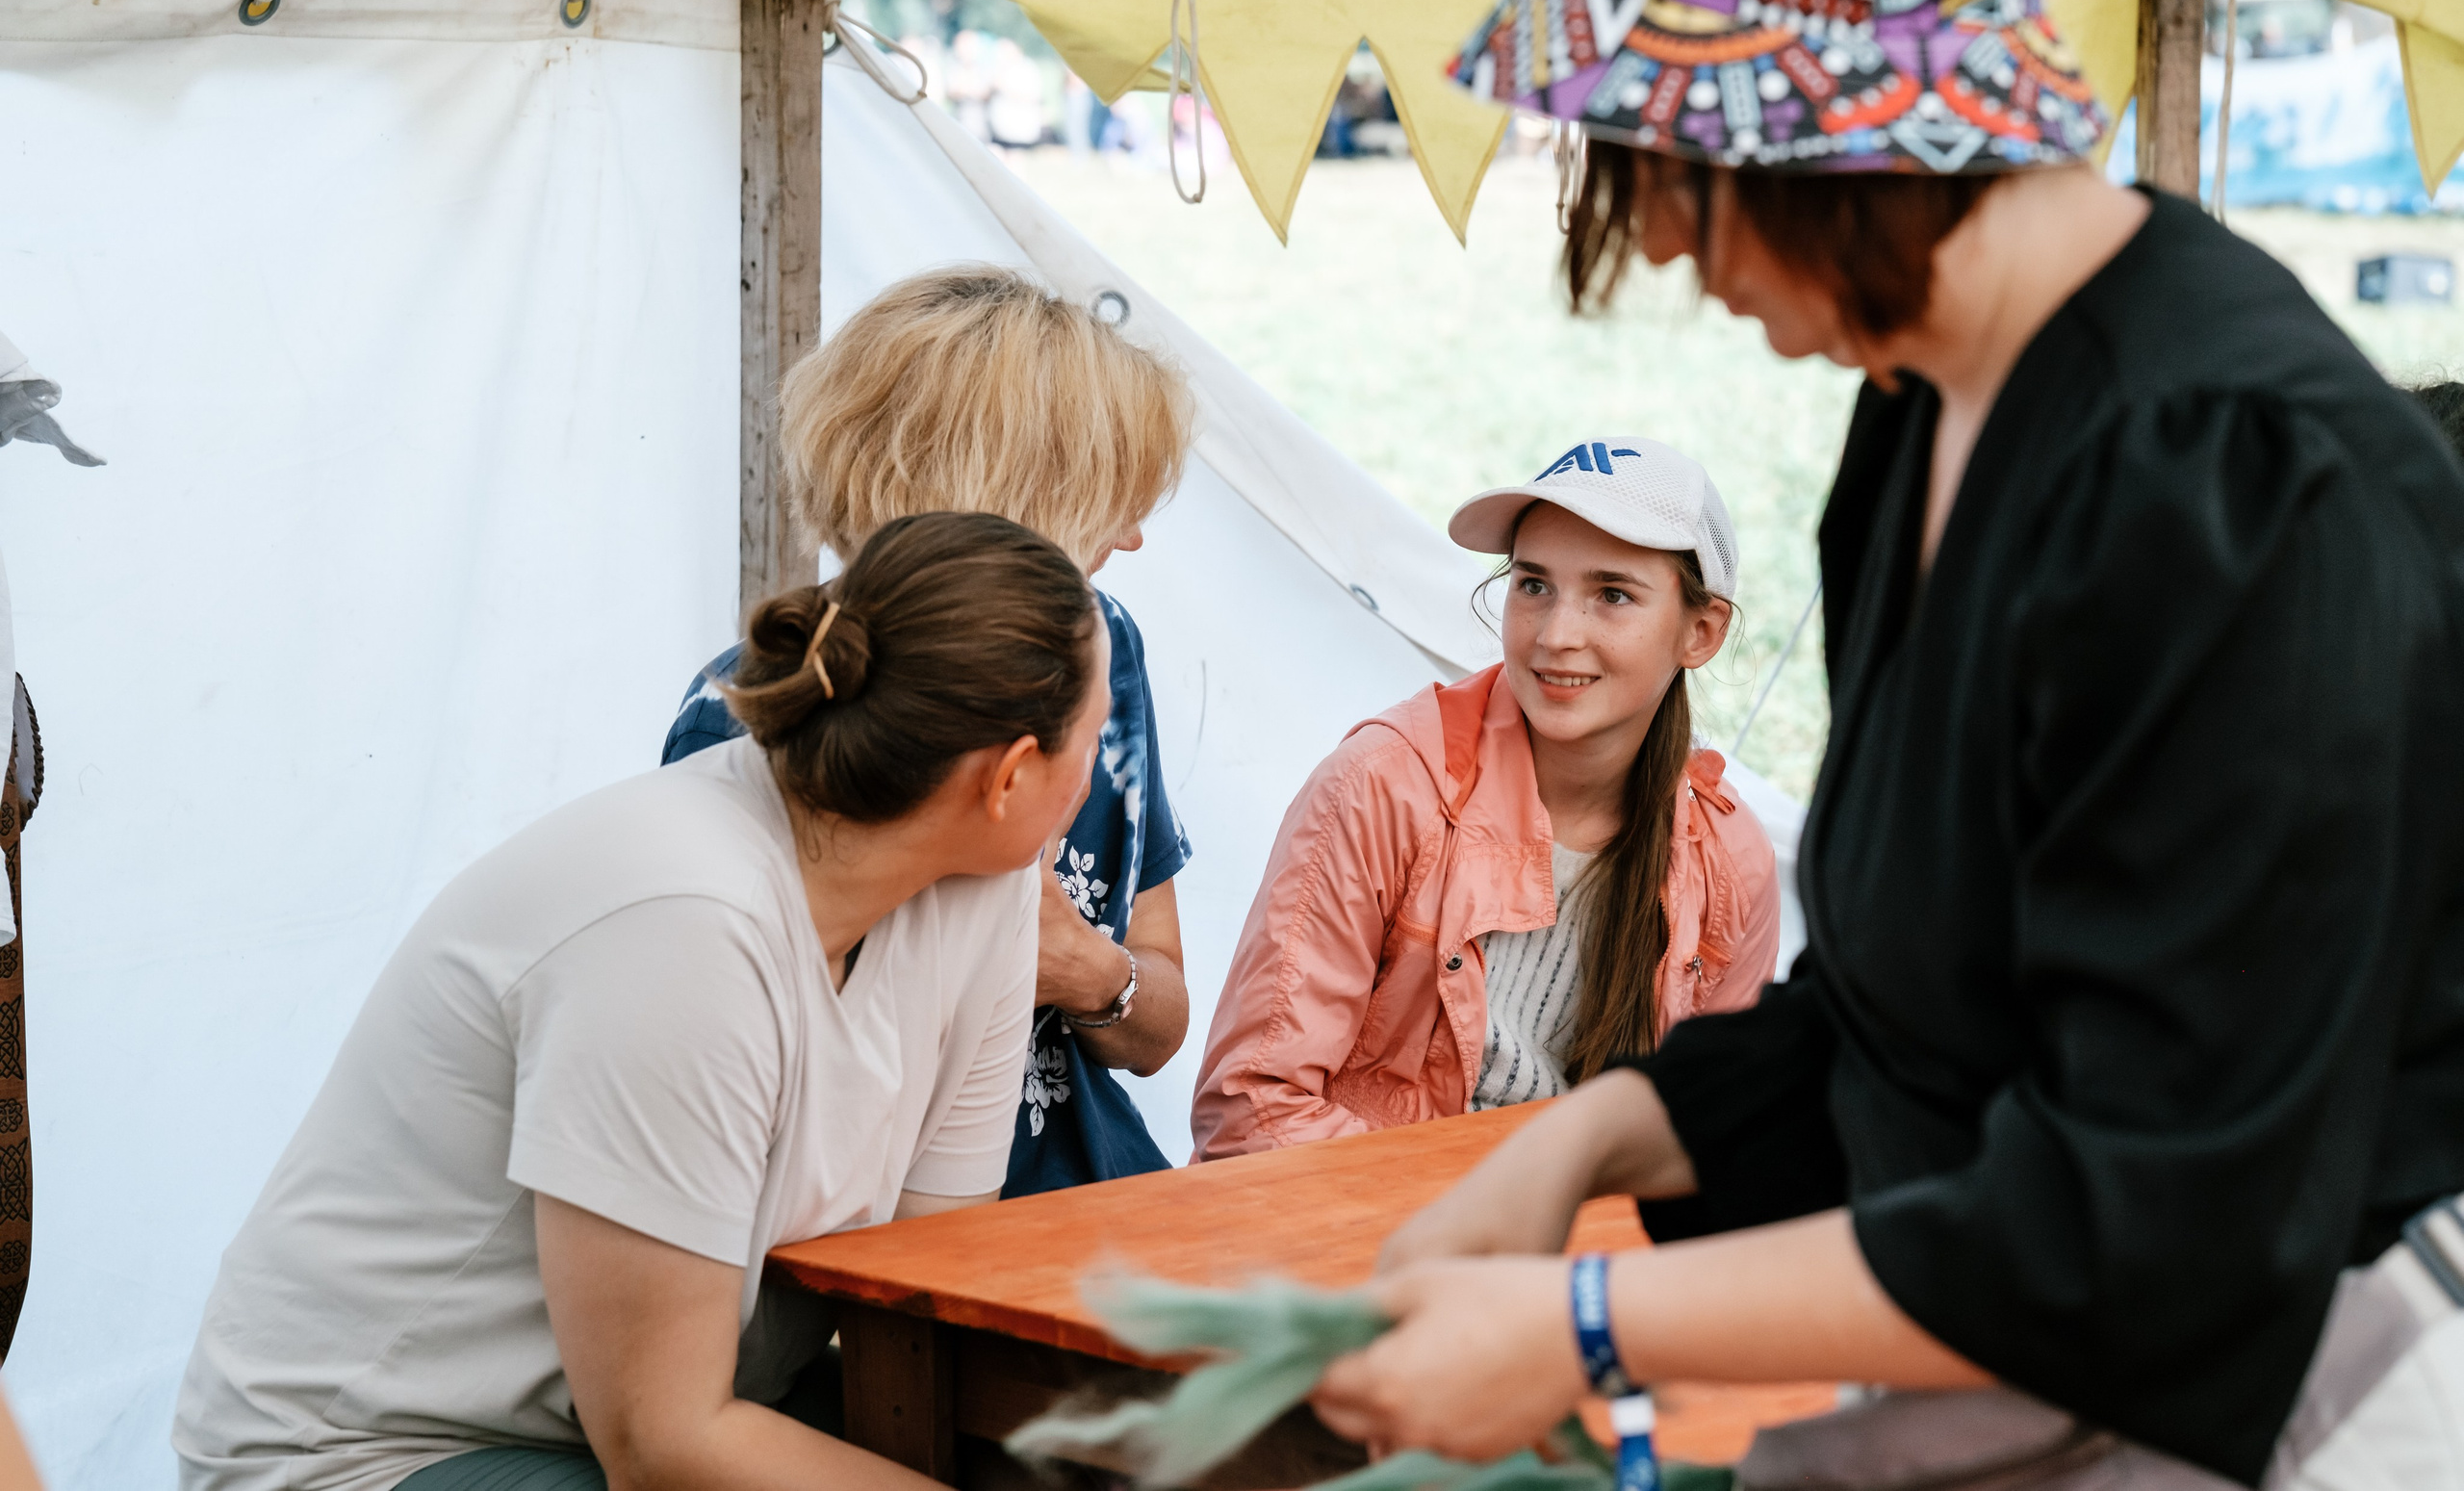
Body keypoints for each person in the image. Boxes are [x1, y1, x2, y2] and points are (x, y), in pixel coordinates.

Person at [1308, 0, 2464, 1487]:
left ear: (1822, 139)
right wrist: (1590, 1136)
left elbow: (2145, 1224)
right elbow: (1909, 1013)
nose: (1681, 260)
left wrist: (1587, 1322)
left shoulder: (2238, 489)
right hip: (1998, 1362)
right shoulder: (1924, 408)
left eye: (1673, 189)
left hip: (2276, 1408)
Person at [173, 512, 1109, 1491]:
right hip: (385, 1450)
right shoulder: (682, 919)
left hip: (681, 1412)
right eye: (1091, 736)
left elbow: (915, 1292)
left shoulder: (987, 893)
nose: (1096, 767)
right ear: (1007, 777)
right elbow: (661, 1446)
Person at [664, 266, 1198, 1195]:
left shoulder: (1101, 646)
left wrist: (1086, 969)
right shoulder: (745, 716)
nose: (1136, 536)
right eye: (1110, 492)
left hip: (1088, 1197)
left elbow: (1160, 1029)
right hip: (854, 1230)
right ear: (1020, 494)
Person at [1191, 437, 1780, 1159]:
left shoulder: (1732, 858)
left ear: (1702, 631)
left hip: (1568, 1251)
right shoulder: (1384, 784)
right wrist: (1477, 1222)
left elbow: (1708, 1144)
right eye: (1533, 584)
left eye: (1613, 594)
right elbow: (1250, 1109)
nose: (1558, 635)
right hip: (1352, 1240)